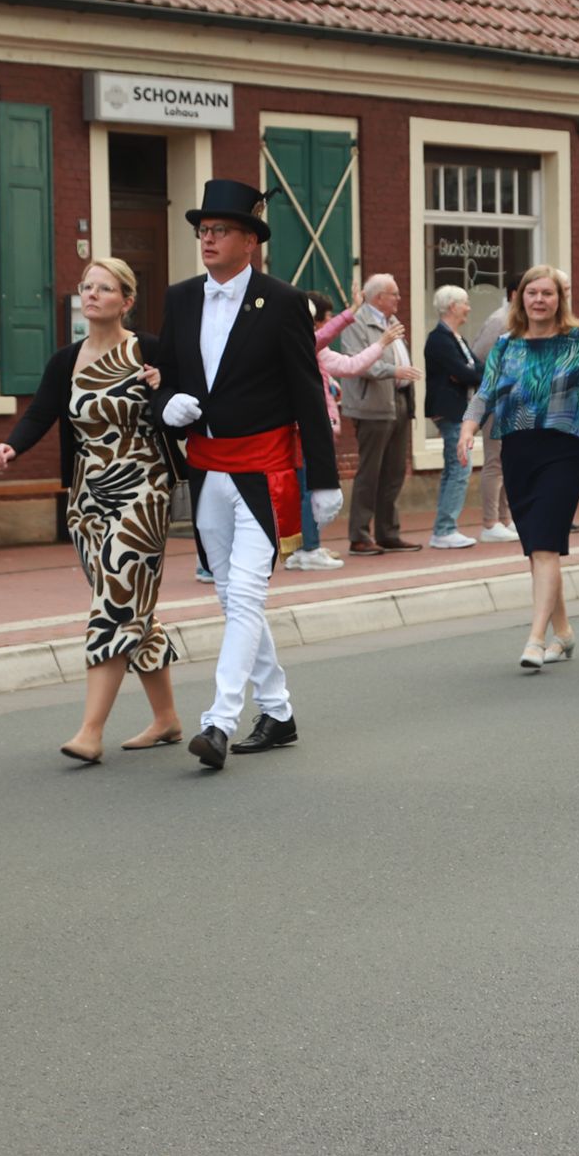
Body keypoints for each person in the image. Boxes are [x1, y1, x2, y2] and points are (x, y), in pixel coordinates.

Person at [146, 179, 340, 768]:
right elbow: (167, 373)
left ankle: (219, 721)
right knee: (233, 596)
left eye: (220, 230)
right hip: (207, 468)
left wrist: (324, 477)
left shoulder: (282, 301)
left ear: (250, 241)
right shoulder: (181, 298)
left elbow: (307, 392)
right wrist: (167, 405)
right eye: (203, 230)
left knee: (248, 592)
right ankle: (277, 711)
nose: (207, 239)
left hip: (265, 470)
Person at [0, 257, 184, 763]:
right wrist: (12, 446)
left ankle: (90, 731)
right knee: (130, 604)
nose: (91, 294)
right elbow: (41, 412)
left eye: (104, 288)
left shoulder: (149, 350)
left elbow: (185, 404)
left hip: (143, 491)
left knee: (115, 602)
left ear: (127, 300)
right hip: (88, 500)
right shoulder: (66, 360)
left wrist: (164, 386)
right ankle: (166, 718)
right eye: (86, 286)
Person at [458, 266, 579, 668]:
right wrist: (467, 429)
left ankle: (535, 639)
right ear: (520, 298)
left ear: (559, 300)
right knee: (537, 548)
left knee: (546, 544)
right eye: (532, 293)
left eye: (547, 293)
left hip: (565, 449)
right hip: (518, 451)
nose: (539, 300)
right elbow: (485, 393)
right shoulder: (506, 345)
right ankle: (563, 633)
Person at [284, 291, 400, 571]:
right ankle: (308, 548)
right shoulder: (303, 343)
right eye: (326, 319)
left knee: (309, 488)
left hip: (313, 428)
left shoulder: (313, 349)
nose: (327, 325)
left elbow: (350, 365)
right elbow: (324, 339)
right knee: (310, 489)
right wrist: (354, 313)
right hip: (304, 429)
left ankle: (305, 545)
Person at [340, 273, 421, 555]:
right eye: (394, 294)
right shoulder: (357, 322)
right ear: (378, 298)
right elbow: (357, 363)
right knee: (370, 472)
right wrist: (394, 371)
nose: (399, 298)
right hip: (371, 404)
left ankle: (388, 532)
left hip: (398, 401)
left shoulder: (392, 321)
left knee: (394, 472)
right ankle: (359, 535)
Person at [424, 285, 480, 549]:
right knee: (460, 467)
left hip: (459, 409)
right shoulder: (439, 339)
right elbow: (466, 372)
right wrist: (468, 373)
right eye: (465, 303)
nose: (468, 308)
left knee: (455, 467)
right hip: (450, 410)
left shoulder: (457, 339)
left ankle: (444, 527)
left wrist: (469, 373)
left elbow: (477, 369)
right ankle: (445, 529)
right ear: (452, 306)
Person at [470, 278, 518, 542]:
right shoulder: (500, 321)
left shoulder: (519, 321)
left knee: (508, 460)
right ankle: (490, 523)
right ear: (515, 294)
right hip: (496, 400)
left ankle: (505, 518)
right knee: (495, 460)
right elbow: (478, 357)